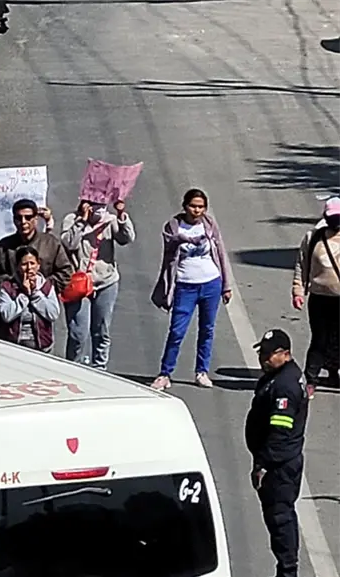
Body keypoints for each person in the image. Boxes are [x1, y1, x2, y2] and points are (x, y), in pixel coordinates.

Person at [151, 188, 232, 390]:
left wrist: (226, 286)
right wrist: (181, 240)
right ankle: (165, 373)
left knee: (207, 329)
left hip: (210, 282)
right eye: (193, 206)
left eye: (201, 207)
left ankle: (202, 372)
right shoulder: (173, 227)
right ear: (185, 206)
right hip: (185, 285)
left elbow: (220, 254)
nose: (197, 210)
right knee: (177, 331)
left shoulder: (210, 225)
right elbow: (169, 253)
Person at [246, 329, 308, 577]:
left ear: (285, 354)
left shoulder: (285, 386)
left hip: (279, 467)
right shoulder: (278, 376)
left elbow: (279, 434)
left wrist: (262, 464)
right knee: (277, 518)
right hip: (277, 463)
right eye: (261, 352)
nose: (263, 358)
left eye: (268, 354)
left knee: (280, 518)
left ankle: (287, 571)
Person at [60, 199, 136, 370]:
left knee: (101, 329)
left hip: (105, 282)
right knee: (78, 332)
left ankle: (100, 367)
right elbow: (68, 243)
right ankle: (73, 367)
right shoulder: (71, 220)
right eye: (94, 205)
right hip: (79, 284)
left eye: (101, 205)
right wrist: (82, 221)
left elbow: (127, 238)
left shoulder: (110, 220)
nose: (98, 209)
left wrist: (121, 215)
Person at [291, 197, 340, 399]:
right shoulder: (313, 238)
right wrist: (298, 291)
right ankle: (311, 379)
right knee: (320, 339)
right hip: (320, 298)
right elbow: (301, 265)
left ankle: (333, 373)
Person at [0, 199, 72, 294]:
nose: (23, 222)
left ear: (35, 219)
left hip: (44, 301)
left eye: (28, 217)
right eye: (19, 218)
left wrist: (42, 285)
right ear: (14, 220)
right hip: (14, 303)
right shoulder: (3, 246)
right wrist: (13, 284)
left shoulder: (51, 244)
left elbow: (66, 273)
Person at [0, 246, 60, 352]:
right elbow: (6, 315)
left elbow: (53, 314)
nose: (29, 268)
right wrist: (24, 295)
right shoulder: (7, 287)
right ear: (17, 266)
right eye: (24, 264)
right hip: (14, 344)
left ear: (38, 265)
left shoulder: (46, 287)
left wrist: (35, 293)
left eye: (32, 263)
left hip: (42, 345)